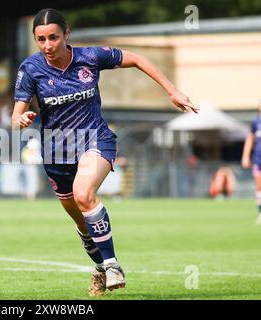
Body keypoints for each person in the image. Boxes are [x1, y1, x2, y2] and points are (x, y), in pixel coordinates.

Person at [11, 8, 199, 296]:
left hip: (95, 139)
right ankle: (100, 267)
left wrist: (171, 90)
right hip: (56, 152)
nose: (48, 45)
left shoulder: (90, 57)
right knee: (81, 222)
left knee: (84, 194)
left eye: (53, 38)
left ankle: (112, 265)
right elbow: (15, 118)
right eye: (41, 39)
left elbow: (136, 59)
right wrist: (21, 120)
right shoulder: (31, 68)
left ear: (67, 34)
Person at [242, 96, 261, 224]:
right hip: (260, 159)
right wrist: (245, 156)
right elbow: (250, 139)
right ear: (260, 107)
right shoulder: (256, 122)